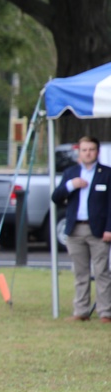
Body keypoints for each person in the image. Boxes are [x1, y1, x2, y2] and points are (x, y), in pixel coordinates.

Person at [51, 135, 111, 323]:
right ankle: (81, 310)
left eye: (91, 149)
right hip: (75, 229)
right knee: (80, 272)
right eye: (84, 150)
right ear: (80, 152)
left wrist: (109, 228)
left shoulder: (106, 173)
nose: (88, 153)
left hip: (98, 230)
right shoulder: (71, 172)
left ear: (97, 152)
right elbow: (56, 197)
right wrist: (71, 185)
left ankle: (105, 312)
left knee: (102, 272)